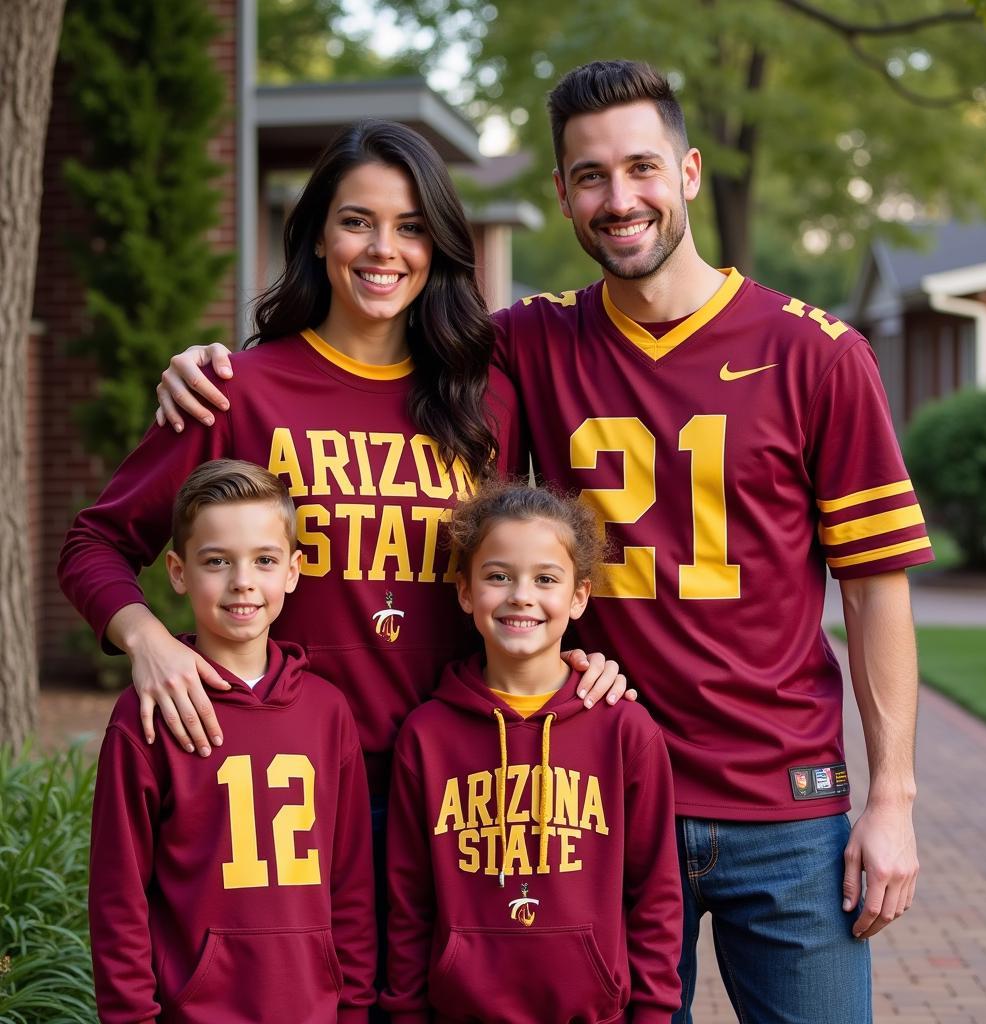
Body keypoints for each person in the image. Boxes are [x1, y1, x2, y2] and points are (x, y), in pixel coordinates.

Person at [148, 60, 932, 1023]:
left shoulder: (817, 353)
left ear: (687, 172)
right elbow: (370, 351)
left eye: (641, 168)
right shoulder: (524, 346)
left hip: (783, 797)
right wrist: (206, 361)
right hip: (591, 791)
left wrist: (891, 799)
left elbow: (875, 584)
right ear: (561, 194)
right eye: (591, 177)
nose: (620, 198)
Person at [60, 118, 625, 1021]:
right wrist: (147, 643)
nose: (383, 250)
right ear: (317, 234)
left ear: (437, 245)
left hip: (460, 782)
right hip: (293, 780)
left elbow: (531, 557)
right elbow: (94, 543)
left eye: (408, 227)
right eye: (358, 221)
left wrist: (577, 660)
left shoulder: (484, 399)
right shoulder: (239, 390)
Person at [380, 481, 681, 1023]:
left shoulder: (625, 731)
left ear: (579, 596)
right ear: (466, 592)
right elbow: (410, 905)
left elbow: (656, 897)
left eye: (546, 579)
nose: (521, 595)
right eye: (498, 576)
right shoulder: (426, 736)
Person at [89, 459, 376, 1023]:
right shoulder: (147, 714)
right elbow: (119, 897)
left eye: (264, 561)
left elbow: (352, 890)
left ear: (293, 571)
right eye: (217, 562)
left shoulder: (327, 712)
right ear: (177, 571)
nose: (243, 581)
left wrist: (353, 1008)